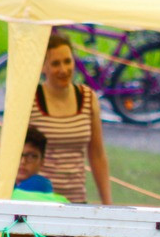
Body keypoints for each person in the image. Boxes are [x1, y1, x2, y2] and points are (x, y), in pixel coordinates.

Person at [29, 31, 111, 205]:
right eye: (55, 64)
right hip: (38, 201)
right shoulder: (30, 100)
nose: (63, 70)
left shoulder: (88, 98)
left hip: (76, 202)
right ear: (43, 67)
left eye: (68, 61)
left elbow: (97, 155)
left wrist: (107, 203)